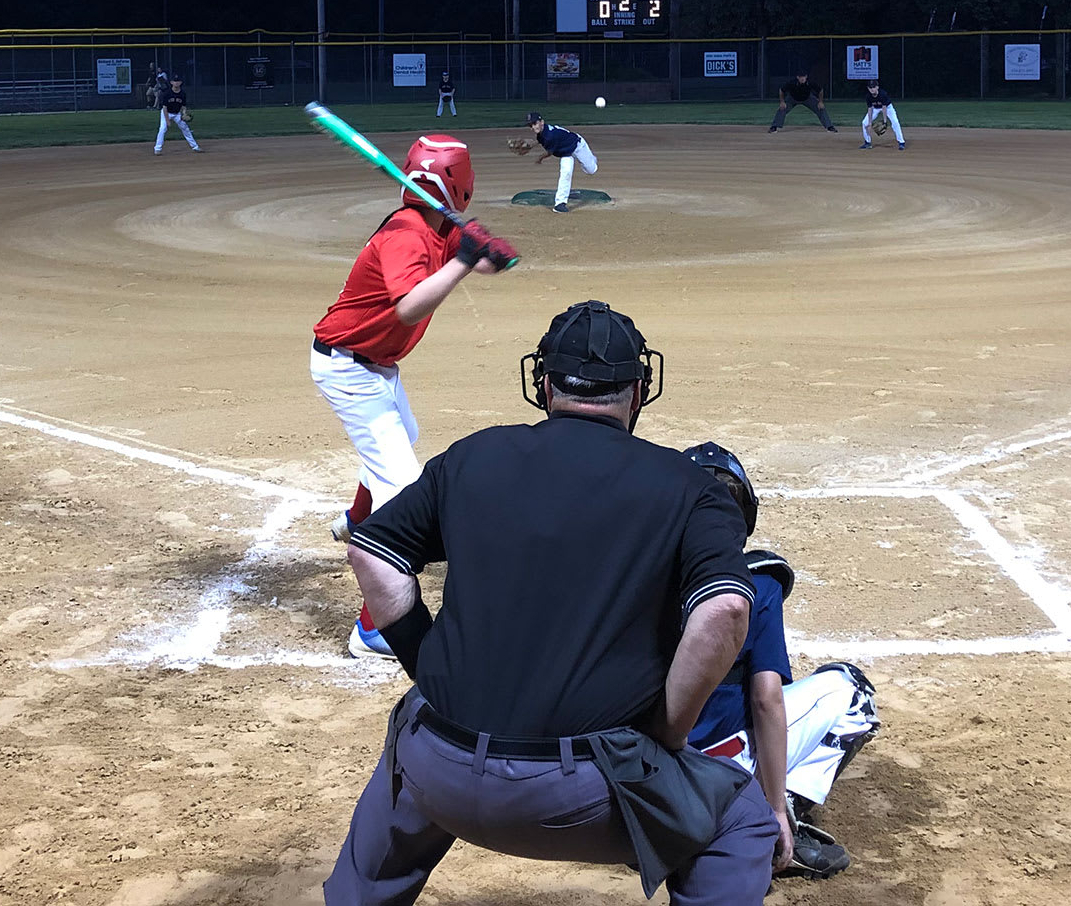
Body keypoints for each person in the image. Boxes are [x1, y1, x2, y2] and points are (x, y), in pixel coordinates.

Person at [328, 300, 780, 904]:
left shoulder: (472, 456)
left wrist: (428, 668)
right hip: (583, 794)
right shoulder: (690, 488)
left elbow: (372, 552)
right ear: (639, 390)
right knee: (741, 821)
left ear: (542, 384)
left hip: (439, 770)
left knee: (410, 736)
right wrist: (669, 733)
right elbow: (724, 610)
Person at [313, 135, 518, 657]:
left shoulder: (436, 223)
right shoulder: (407, 233)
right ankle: (372, 628)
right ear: (461, 184)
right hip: (349, 370)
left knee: (405, 438)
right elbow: (407, 307)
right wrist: (463, 259)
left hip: (376, 367)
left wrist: (484, 251)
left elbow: (478, 263)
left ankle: (357, 519)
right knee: (402, 490)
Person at [683, 443, 879, 881]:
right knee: (852, 691)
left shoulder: (635, 576)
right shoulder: (757, 585)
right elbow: (766, 701)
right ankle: (777, 820)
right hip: (722, 766)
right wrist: (770, 809)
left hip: (645, 770)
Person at [524, 112, 597, 213]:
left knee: (591, 170)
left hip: (577, 146)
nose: (533, 127)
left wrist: (539, 158)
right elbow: (541, 140)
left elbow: (549, 152)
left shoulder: (550, 135)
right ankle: (560, 203)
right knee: (565, 173)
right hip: (566, 153)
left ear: (542, 122)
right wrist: (531, 145)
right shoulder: (542, 132)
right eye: (530, 125)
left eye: (535, 123)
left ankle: (591, 158)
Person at [769, 73, 837, 133]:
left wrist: (821, 102)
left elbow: (820, 90)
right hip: (792, 98)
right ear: (797, 77)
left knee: (821, 108)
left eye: (803, 76)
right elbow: (781, 90)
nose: (802, 78)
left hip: (807, 98)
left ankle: (829, 127)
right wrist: (782, 102)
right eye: (800, 77)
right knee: (782, 108)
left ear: (806, 76)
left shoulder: (810, 82)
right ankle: (774, 127)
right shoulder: (792, 83)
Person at [154, 77, 201, 154]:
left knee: (185, 128)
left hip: (177, 114)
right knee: (162, 129)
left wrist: (184, 113)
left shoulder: (182, 94)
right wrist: (167, 120)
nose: (176, 83)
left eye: (178, 81)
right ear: (171, 82)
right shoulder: (167, 93)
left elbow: (183, 106)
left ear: (181, 83)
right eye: (174, 81)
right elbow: (164, 108)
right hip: (166, 113)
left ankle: (195, 147)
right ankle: (157, 149)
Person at [857, 81, 904, 151]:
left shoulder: (883, 94)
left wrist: (885, 122)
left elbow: (884, 108)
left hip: (888, 107)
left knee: (895, 122)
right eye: (870, 87)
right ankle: (867, 142)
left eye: (873, 87)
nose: (872, 89)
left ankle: (901, 142)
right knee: (864, 123)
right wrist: (869, 123)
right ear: (868, 88)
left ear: (877, 87)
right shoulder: (868, 96)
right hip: (875, 108)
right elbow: (870, 109)